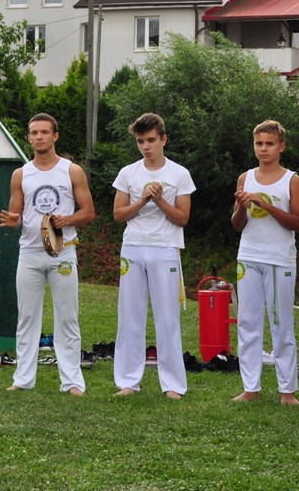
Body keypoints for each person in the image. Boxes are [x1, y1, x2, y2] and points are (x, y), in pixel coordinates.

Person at [0, 114, 95, 395]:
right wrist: (14, 221)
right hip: (29, 252)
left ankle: (72, 382)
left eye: (44, 132)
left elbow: (88, 212)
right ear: (28, 138)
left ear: (55, 136)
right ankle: (23, 379)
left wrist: (68, 220)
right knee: (27, 317)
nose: (39, 137)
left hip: (63, 253)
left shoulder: (72, 171)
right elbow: (17, 213)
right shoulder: (21, 174)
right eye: (34, 133)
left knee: (67, 317)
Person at [112, 112, 195, 399]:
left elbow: (183, 218)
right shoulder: (128, 173)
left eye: (150, 140)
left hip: (165, 249)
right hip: (133, 247)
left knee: (167, 317)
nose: (146, 147)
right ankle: (127, 381)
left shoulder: (179, 174)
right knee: (130, 316)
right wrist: (143, 199)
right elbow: (119, 214)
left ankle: (173, 384)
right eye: (140, 142)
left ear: (163, 139)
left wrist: (159, 200)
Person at [230, 120, 299, 405]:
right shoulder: (244, 178)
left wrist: (266, 205)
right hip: (248, 256)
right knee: (248, 322)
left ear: (281, 147)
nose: (263, 149)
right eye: (259, 143)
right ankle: (251, 386)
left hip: (279, 259)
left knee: (281, 323)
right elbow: (237, 225)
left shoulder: (292, 180)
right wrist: (241, 207)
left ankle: (287, 390)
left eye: (269, 144)